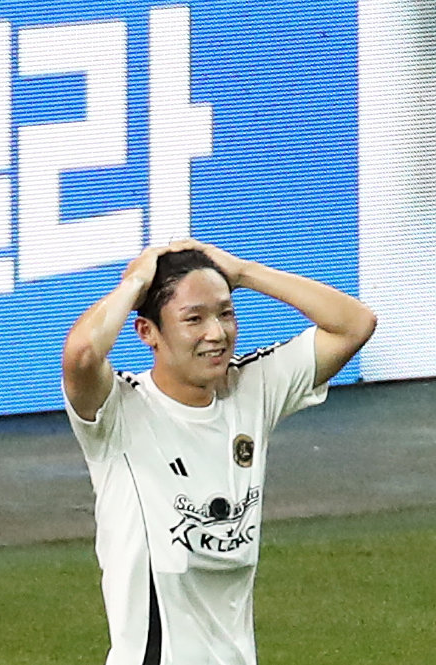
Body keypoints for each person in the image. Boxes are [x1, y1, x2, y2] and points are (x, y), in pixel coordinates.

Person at [61, 240, 376, 665]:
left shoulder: (251, 388)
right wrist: (136, 282)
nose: (217, 333)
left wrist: (244, 272)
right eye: (194, 319)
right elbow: (81, 354)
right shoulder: (118, 413)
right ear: (147, 332)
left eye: (226, 313)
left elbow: (355, 324)